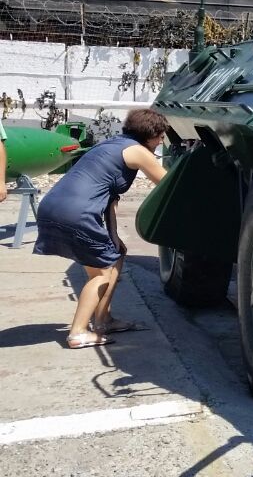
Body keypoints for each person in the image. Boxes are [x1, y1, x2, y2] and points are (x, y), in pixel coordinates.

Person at [34, 108, 169, 349]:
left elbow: (109, 198)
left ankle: (104, 320)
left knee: (114, 257)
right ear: (151, 134)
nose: (161, 142)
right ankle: (77, 333)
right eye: (160, 136)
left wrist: (114, 235)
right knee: (102, 274)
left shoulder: (112, 145)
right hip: (76, 214)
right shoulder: (138, 151)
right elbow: (169, 185)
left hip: (54, 206)